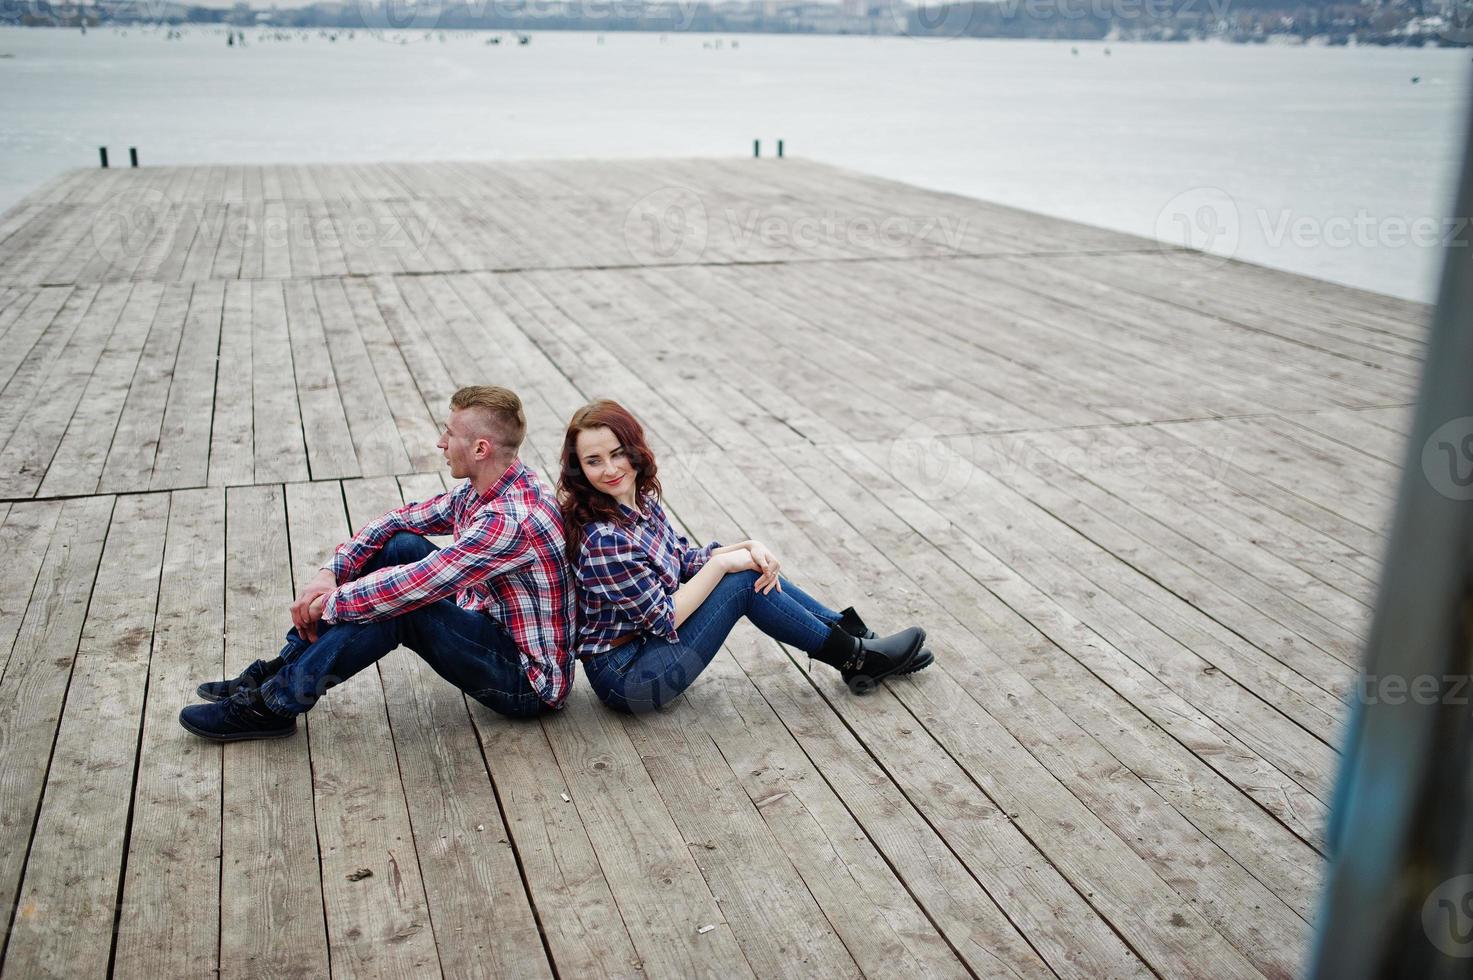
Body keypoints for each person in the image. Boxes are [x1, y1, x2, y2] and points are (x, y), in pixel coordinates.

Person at [179, 385, 575, 741]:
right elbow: (396, 522)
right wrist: (329, 574)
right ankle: (281, 669)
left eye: (449, 434)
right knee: (400, 545)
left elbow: (413, 586)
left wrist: (328, 603)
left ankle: (274, 705)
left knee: (399, 608)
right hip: (486, 620)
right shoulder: (489, 486)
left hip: (525, 682)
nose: (441, 443)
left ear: (480, 449)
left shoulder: (510, 521)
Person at [560, 399, 932, 715]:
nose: (609, 469)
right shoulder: (603, 540)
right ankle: (856, 657)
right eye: (593, 461)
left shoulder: (639, 503)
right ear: (579, 468)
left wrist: (745, 547)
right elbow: (664, 617)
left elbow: (685, 560)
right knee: (740, 582)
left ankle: (857, 640)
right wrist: (724, 563)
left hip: (650, 650)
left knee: (746, 567)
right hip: (629, 678)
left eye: (617, 453)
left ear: (634, 449)